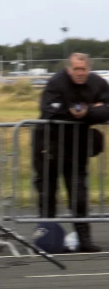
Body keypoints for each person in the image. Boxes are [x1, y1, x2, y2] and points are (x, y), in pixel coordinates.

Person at [33, 53, 109, 252]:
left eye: (83, 69)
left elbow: (107, 109)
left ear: (88, 69)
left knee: (79, 195)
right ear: (69, 69)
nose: (80, 73)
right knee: (48, 194)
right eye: (76, 69)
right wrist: (79, 112)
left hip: (76, 148)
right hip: (48, 146)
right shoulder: (57, 82)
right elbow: (48, 108)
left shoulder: (98, 83)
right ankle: (46, 240)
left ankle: (85, 241)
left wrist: (87, 112)